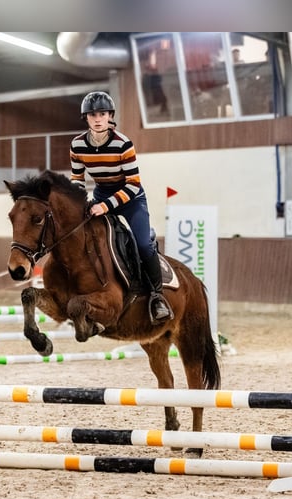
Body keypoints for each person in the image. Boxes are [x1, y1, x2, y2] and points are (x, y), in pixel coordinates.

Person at [69, 91, 173, 324]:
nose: (98, 118)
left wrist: (105, 206)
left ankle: (157, 297)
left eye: (102, 114)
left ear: (110, 116)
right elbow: (77, 178)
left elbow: (133, 184)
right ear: (86, 118)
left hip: (131, 197)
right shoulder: (76, 145)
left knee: (144, 246)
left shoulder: (123, 144)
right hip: (100, 194)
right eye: (93, 114)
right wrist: (81, 200)